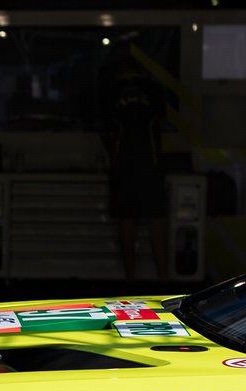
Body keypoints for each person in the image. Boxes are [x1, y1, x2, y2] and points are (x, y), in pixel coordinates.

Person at [99, 45, 169, 281]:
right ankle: (163, 279)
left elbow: (106, 132)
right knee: (156, 220)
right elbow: (162, 120)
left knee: (126, 222)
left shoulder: (111, 93)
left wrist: (113, 154)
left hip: (123, 167)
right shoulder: (153, 91)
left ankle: (131, 280)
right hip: (151, 165)